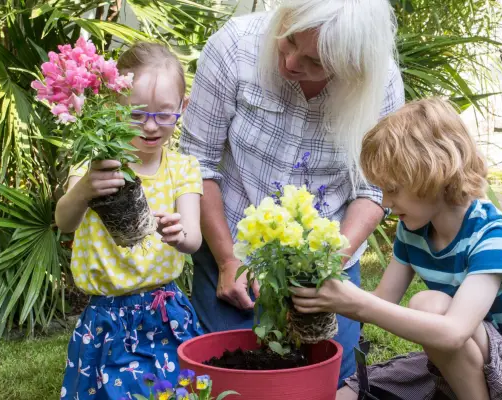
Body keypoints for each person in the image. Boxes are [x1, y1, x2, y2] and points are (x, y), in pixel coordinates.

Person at [180, 0, 404, 384]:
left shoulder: (378, 81)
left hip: (328, 257)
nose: (290, 63)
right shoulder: (235, 47)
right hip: (232, 248)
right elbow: (198, 164)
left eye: (315, 62)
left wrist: (324, 272)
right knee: (227, 372)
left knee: (329, 379)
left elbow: (373, 190)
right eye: (288, 41)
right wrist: (227, 261)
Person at [291, 98, 502, 400]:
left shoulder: (493, 235)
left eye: (393, 190)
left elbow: (454, 331)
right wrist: (321, 296)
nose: (386, 204)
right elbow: (382, 301)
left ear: (433, 174)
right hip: (453, 361)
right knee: (346, 396)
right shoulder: (414, 231)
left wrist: (356, 303)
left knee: (429, 304)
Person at [56, 41, 203, 399]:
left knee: (175, 392)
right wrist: (84, 190)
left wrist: (178, 234)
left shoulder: (183, 168)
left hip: (166, 310)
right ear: (112, 105)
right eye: (137, 114)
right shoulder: (96, 165)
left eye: (164, 114)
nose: (151, 126)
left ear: (182, 107)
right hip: (106, 316)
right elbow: (65, 222)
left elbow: (194, 238)